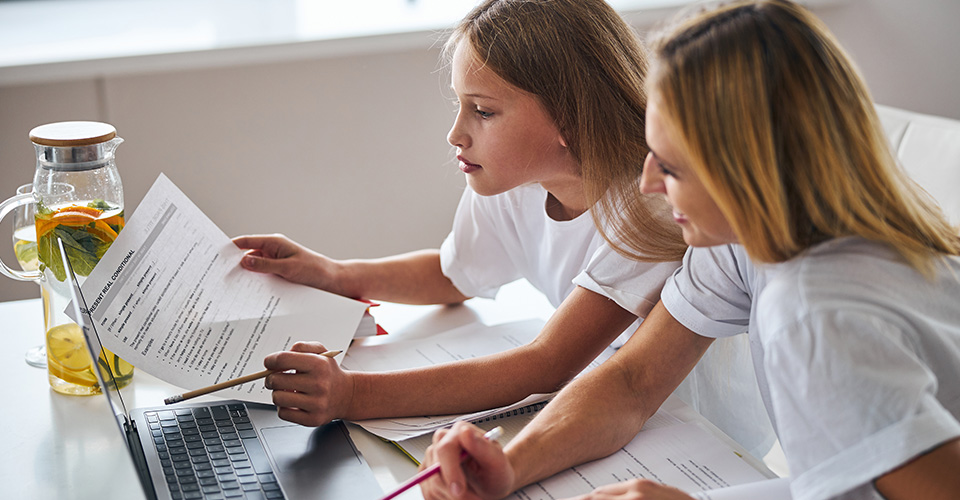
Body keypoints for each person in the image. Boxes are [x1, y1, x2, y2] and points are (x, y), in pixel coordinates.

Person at [420, 1, 960, 499]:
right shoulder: (746, 243)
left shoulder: (817, 315)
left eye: (672, 166)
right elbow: (632, 382)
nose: (650, 184)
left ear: (746, 170)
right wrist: (511, 466)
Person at [231, 0, 739, 437]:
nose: (456, 134)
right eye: (459, 105)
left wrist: (351, 395)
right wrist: (335, 274)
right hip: (600, 407)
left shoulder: (651, 204)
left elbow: (547, 363)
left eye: (483, 111)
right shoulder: (510, 183)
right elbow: (454, 274)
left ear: (569, 116)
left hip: (684, 426)